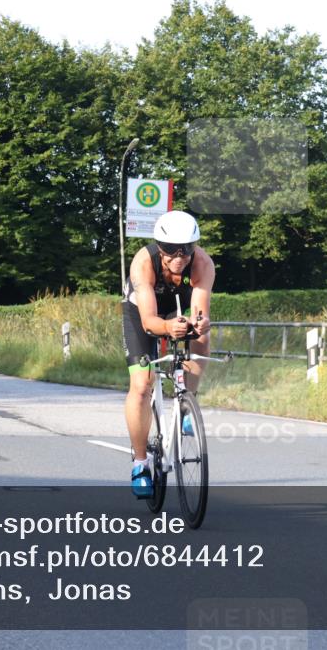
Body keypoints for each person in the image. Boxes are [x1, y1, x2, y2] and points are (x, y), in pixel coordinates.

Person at [122, 210, 214, 498]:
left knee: (202, 334)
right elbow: (149, 321)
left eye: (186, 250)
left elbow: (200, 310)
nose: (178, 257)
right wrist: (166, 327)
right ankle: (140, 463)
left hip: (177, 307)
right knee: (141, 386)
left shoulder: (202, 264)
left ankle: (188, 401)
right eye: (170, 251)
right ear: (158, 246)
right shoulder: (143, 263)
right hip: (142, 314)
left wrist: (198, 323)